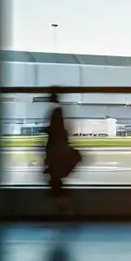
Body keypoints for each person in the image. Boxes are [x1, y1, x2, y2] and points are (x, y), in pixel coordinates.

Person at [43, 90, 82, 218]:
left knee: (55, 185)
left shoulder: (56, 112)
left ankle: (67, 211)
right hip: (57, 153)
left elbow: (57, 132)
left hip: (56, 153)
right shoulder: (59, 111)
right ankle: (66, 211)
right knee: (57, 184)